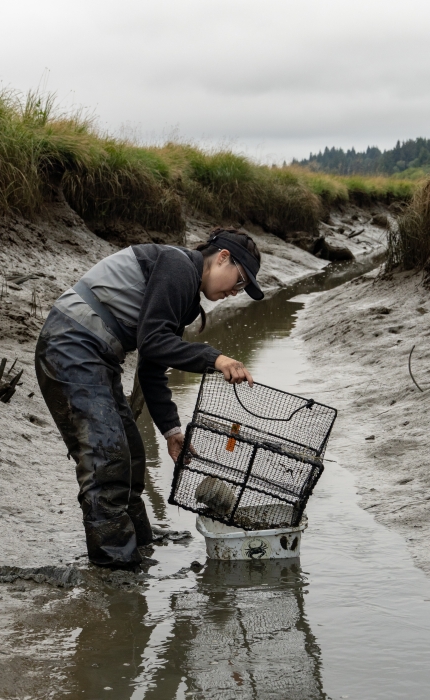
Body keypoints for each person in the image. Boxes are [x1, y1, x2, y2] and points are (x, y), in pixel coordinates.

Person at [35, 228, 264, 569]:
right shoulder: (179, 267)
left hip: (96, 356)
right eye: (240, 281)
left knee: (131, 454)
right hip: (70, 346)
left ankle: (139, 545)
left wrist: (172, 433)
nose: (235, 292)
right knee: (107, 460)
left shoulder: (185, 295)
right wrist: (215, 358)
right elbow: (154, 341)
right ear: (223, 258)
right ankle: (115, 571)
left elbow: (152, 367)